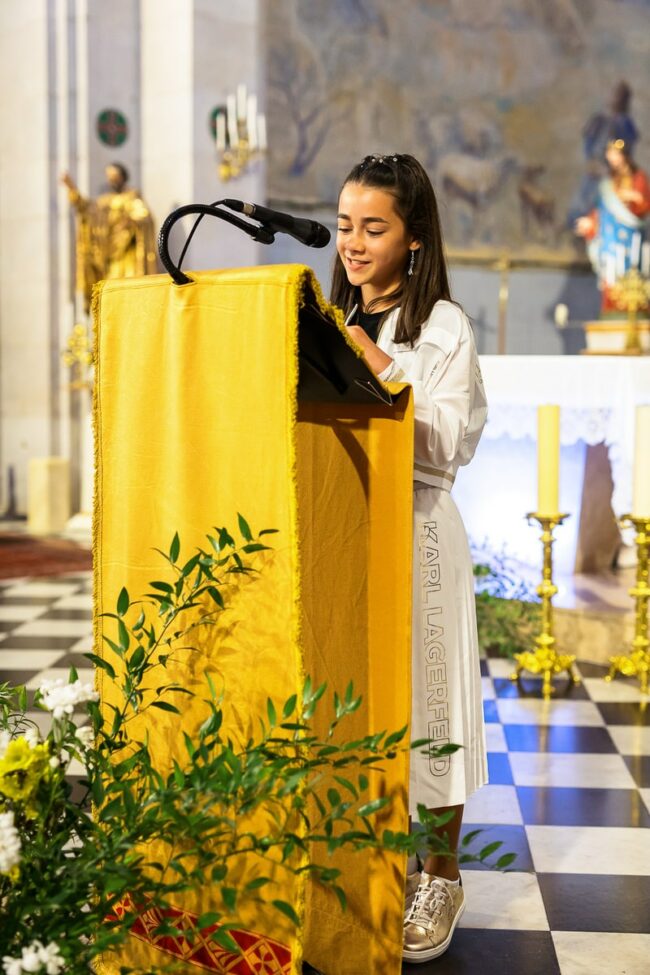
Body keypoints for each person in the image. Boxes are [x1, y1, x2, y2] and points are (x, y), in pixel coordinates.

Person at [331, 153, 488, 963]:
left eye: (374, 227)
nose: (353, 243)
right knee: (357, 701)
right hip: (342, 530)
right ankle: (366, 855)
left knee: (430, 703)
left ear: (415, 239)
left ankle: (441, 873)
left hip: (419, 528)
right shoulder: (326, 315)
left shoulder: (444, 326)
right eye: (346, 224)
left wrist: (371, 355)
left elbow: (445, 439)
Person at [61, 163, 157, 311]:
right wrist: (72, 188)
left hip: (127, 258)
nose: (112, 181)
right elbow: (87, 209)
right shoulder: (105, 201)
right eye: (110, 178)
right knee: (111, 295)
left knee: (129, 292)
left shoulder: (132, 197)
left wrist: (130, 222)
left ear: (123, 178)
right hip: (111, 257)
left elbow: (145, 217)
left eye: (115, 177)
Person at [575, 139, 650, 311]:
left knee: (633, 269)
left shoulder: (639, 178)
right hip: (611, 236)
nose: (613, 160)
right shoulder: (607, 183)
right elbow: (602, 211)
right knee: (610, 272)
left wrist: (633, 196)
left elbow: (645, 204)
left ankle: (635, 306)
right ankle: (612, 306)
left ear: (624, 156)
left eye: (615, 156)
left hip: (631, 234)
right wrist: (590, 222)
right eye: (610, 157)